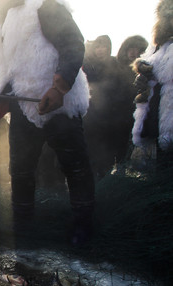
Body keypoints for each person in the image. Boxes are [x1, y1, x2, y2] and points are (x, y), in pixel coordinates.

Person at [0, 0, 94, 244]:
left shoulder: (45, 7)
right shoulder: (1, 23)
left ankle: (83, 227)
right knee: (20, 170)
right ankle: (23, 227)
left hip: (60, 103)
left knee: (75, 167)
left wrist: (59, 87)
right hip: (23, 104)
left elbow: (72, 44)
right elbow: (2, 68)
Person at [131, 0, 173, 170]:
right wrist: (142, 69)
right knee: (160, 161)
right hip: (156, 106)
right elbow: (150, 64)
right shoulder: (159, 45)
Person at [82, 35, 124, 178]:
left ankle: (107, 180)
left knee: (108, 152)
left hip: (111, 116)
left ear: (109, 48)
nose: (100, 50)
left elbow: (121, 87)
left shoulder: (116, 64)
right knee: (92, 150)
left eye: (104, 46)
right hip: (91, 115)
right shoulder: (88, 65)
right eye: (97, 47)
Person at [113, 35, 149, 166]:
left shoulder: (146, 72)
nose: (134, 52)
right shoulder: (115, 68)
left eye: (138, 49)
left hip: (138, 116)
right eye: (131, 48)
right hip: (116, 116)